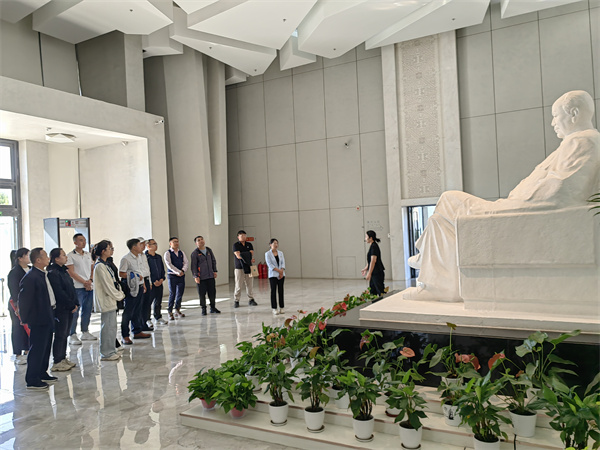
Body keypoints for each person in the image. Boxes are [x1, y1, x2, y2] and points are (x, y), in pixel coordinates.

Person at [405, 90, 600, 301]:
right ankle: (436, 277)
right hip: (524, 204)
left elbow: (558, 189)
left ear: (573, 114)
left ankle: (430, 267)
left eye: (555, 116)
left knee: (449, 198)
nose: (553, 123)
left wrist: (518, 201)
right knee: (438, 220)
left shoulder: (581, 142)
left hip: (527, 207)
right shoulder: (581, 142)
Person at [18, 248, 58, 390]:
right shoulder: (31, 277)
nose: (48, 258)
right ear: (38, 260)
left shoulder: (42, 274)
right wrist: (25, 318)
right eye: (45, 256)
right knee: (37, 348)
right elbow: (24, 300)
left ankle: (42, 372)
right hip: (38, 318)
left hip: (47, 314)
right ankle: (32, 379)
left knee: (46, 347)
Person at [47, 248, 79, 371]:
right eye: (64, 255)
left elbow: (71, 287)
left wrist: (75, 303)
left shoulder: (64, 271)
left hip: (69, 306)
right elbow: (59, 292)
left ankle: (62, 357)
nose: (66, 257)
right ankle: (57, 361)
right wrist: (70, 304)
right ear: (56, 259)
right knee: (60, 334)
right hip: (61, 308)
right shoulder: (53, 273)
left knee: (65, 333)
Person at [93, 240, 125, 361]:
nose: (111, 250)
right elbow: (108, 286)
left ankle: (111, 348)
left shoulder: (106, 264)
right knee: (107, 327)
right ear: (103, 251)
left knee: (112, 327)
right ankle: (106, 352)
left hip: (112, 300)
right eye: (109, 248)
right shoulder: (100, 266)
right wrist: (119, 295)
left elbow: (114, 281)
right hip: (106, 300)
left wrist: (119, 292)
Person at [119, 238, 150, 344]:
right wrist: (135, 276)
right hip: (131, 287)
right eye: (139, 245)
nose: (142, 247)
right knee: (128, 311)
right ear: (134, 247)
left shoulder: (139, 257)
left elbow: (141, 272)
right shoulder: (126, 259)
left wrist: (143, 284)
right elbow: (121, 273)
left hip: (140, 286)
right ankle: (125, 335)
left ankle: (137, 331)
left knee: (138, 310)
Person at [66, 233, 95, 344]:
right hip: (77, 287)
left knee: (87, 309)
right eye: (81, 240)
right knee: (75, 311)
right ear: (75, 242)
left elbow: (92, 269)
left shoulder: (88, 254)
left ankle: (85, 331)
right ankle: (72, 333)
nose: (84, 242)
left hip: (89, 286)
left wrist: (90, 280)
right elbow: (71, 272)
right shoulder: (70, 256)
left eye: (84, 240)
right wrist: (84, 282)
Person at [7, 248, 30, 365]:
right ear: (20, 258)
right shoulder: (14, 272)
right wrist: (17, 306)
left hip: (30, 304)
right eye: (27, 255)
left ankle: (27, 350)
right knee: (18, 328)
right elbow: (14, 290)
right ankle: (17, 353)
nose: (29, 257)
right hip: (17, 305)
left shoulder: (30, 269)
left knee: (28, 327)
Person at [190, 236, 219, 316]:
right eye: (198, 240)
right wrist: (196, 276)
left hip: (210, 276)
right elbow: (193, 266)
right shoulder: (195, 253)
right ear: (196, 243)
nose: (201, 241)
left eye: (202, 239)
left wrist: (214, 271)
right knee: (202, 294)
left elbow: (213, 261)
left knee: (212, 293)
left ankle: (213, 307)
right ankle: (203, 308)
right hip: (201, 277)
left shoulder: (209, 250)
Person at [164, 237, 188, 320]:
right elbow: (169, 264)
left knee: (180, 293)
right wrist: (178, 272)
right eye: (174, 242)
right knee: (172, 293)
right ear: (170, 243)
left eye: (177, 241)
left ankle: (177, 309)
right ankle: (170, 311)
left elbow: (186, 262)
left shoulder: (181, 252)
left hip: (181, 275)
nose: (176, 243)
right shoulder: (168, 253)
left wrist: (182, 271)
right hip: (172, 276)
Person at [232, 230, 257, 308]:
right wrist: (247, 256)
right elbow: (238, 255)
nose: (243, 237)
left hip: (249, 267)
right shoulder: (236, 245)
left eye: (244, 235)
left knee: (250, 284)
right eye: (241, 235)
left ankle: (251, 299)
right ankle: (236, 300)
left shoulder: (249, 244)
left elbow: (251, 253)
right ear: (238, 237)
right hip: (239, 267)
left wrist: (245, 255)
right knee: (238, 285)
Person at [145, 238, 167, 325]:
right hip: (151, 283)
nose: (156, 245)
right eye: (153, 244)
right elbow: (146, 271)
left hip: (159, 282)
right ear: (148, 246)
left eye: (156, 243)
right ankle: (147, 319)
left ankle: (158, 317)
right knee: (148, 302)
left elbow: (162, 269)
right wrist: (153, 281)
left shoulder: (158, 257)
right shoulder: (145, 257)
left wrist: (162, 278)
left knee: (158, 301)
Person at [137, 237, 154, 332]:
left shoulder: (143, 255)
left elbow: (147, 270)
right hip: (141, 281)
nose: (144, 246)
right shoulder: (136, 256)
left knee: (147, 303)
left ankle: (144, 322)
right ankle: (139, 324)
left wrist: (149, 282)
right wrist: (143, 282)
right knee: (141, 303)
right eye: (142, 244)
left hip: (147, 280)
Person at [361, 230, 385, 297]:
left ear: (370, 238)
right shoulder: (372, 246)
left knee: (380, 291)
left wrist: (369, 273)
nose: (365, 238)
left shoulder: (374, 246)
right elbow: (370, 261)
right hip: (374, 272)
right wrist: (366, 268)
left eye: (366, 237)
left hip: (377, 273)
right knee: (372, 291)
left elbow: (373, 261)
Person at [265, 238, 285, 316]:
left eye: (277, 243)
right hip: (273, 275)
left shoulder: (281, 253)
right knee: (273, 291)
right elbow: (270, 265)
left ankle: (282, 307)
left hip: (281, 274)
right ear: (270, 245)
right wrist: (279, 271)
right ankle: (274, 308)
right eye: (274, 243)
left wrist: (281, 271)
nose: (276, 245)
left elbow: (283, 263)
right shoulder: (267, 254)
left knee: (281, 290)